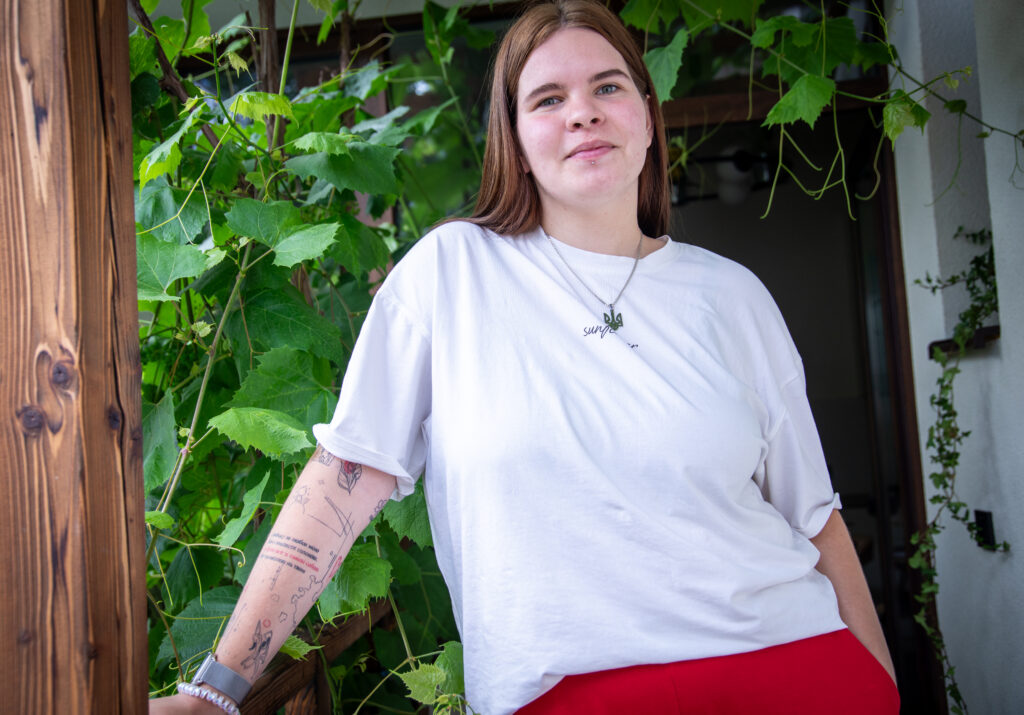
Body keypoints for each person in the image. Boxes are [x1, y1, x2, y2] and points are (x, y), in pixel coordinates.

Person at [152, 1, 900, 713]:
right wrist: (217, 689)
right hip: (569, 695)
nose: (583, 112)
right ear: (512, 135)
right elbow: (343, 480)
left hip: (793, 669)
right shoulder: (451, 273)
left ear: (647, 116)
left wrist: (881, 686)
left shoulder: (732, 295)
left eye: (608, 87)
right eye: (548, 99)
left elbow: (813, 515)